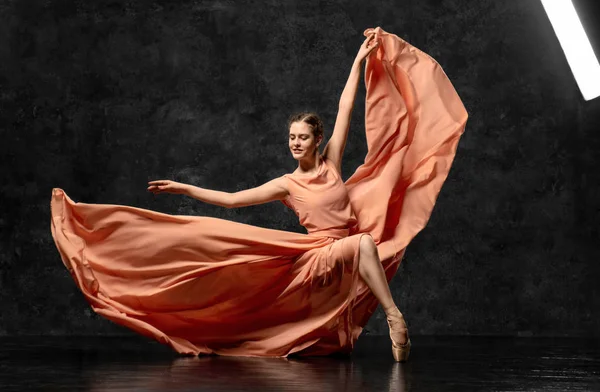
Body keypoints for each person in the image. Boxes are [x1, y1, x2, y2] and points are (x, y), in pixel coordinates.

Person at [51, 27, 468, 362]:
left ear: (317, 139)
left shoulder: (333, 163)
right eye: (291, 138)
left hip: (350, 249)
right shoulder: (286, 184)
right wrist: (184, 187)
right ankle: (395, 317)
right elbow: (232, 200)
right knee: (362, 243)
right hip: (319, 256)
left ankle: (386, 321)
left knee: (364, 242)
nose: (296, 144)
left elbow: (345, 108)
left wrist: (359, 61)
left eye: (303, 138)